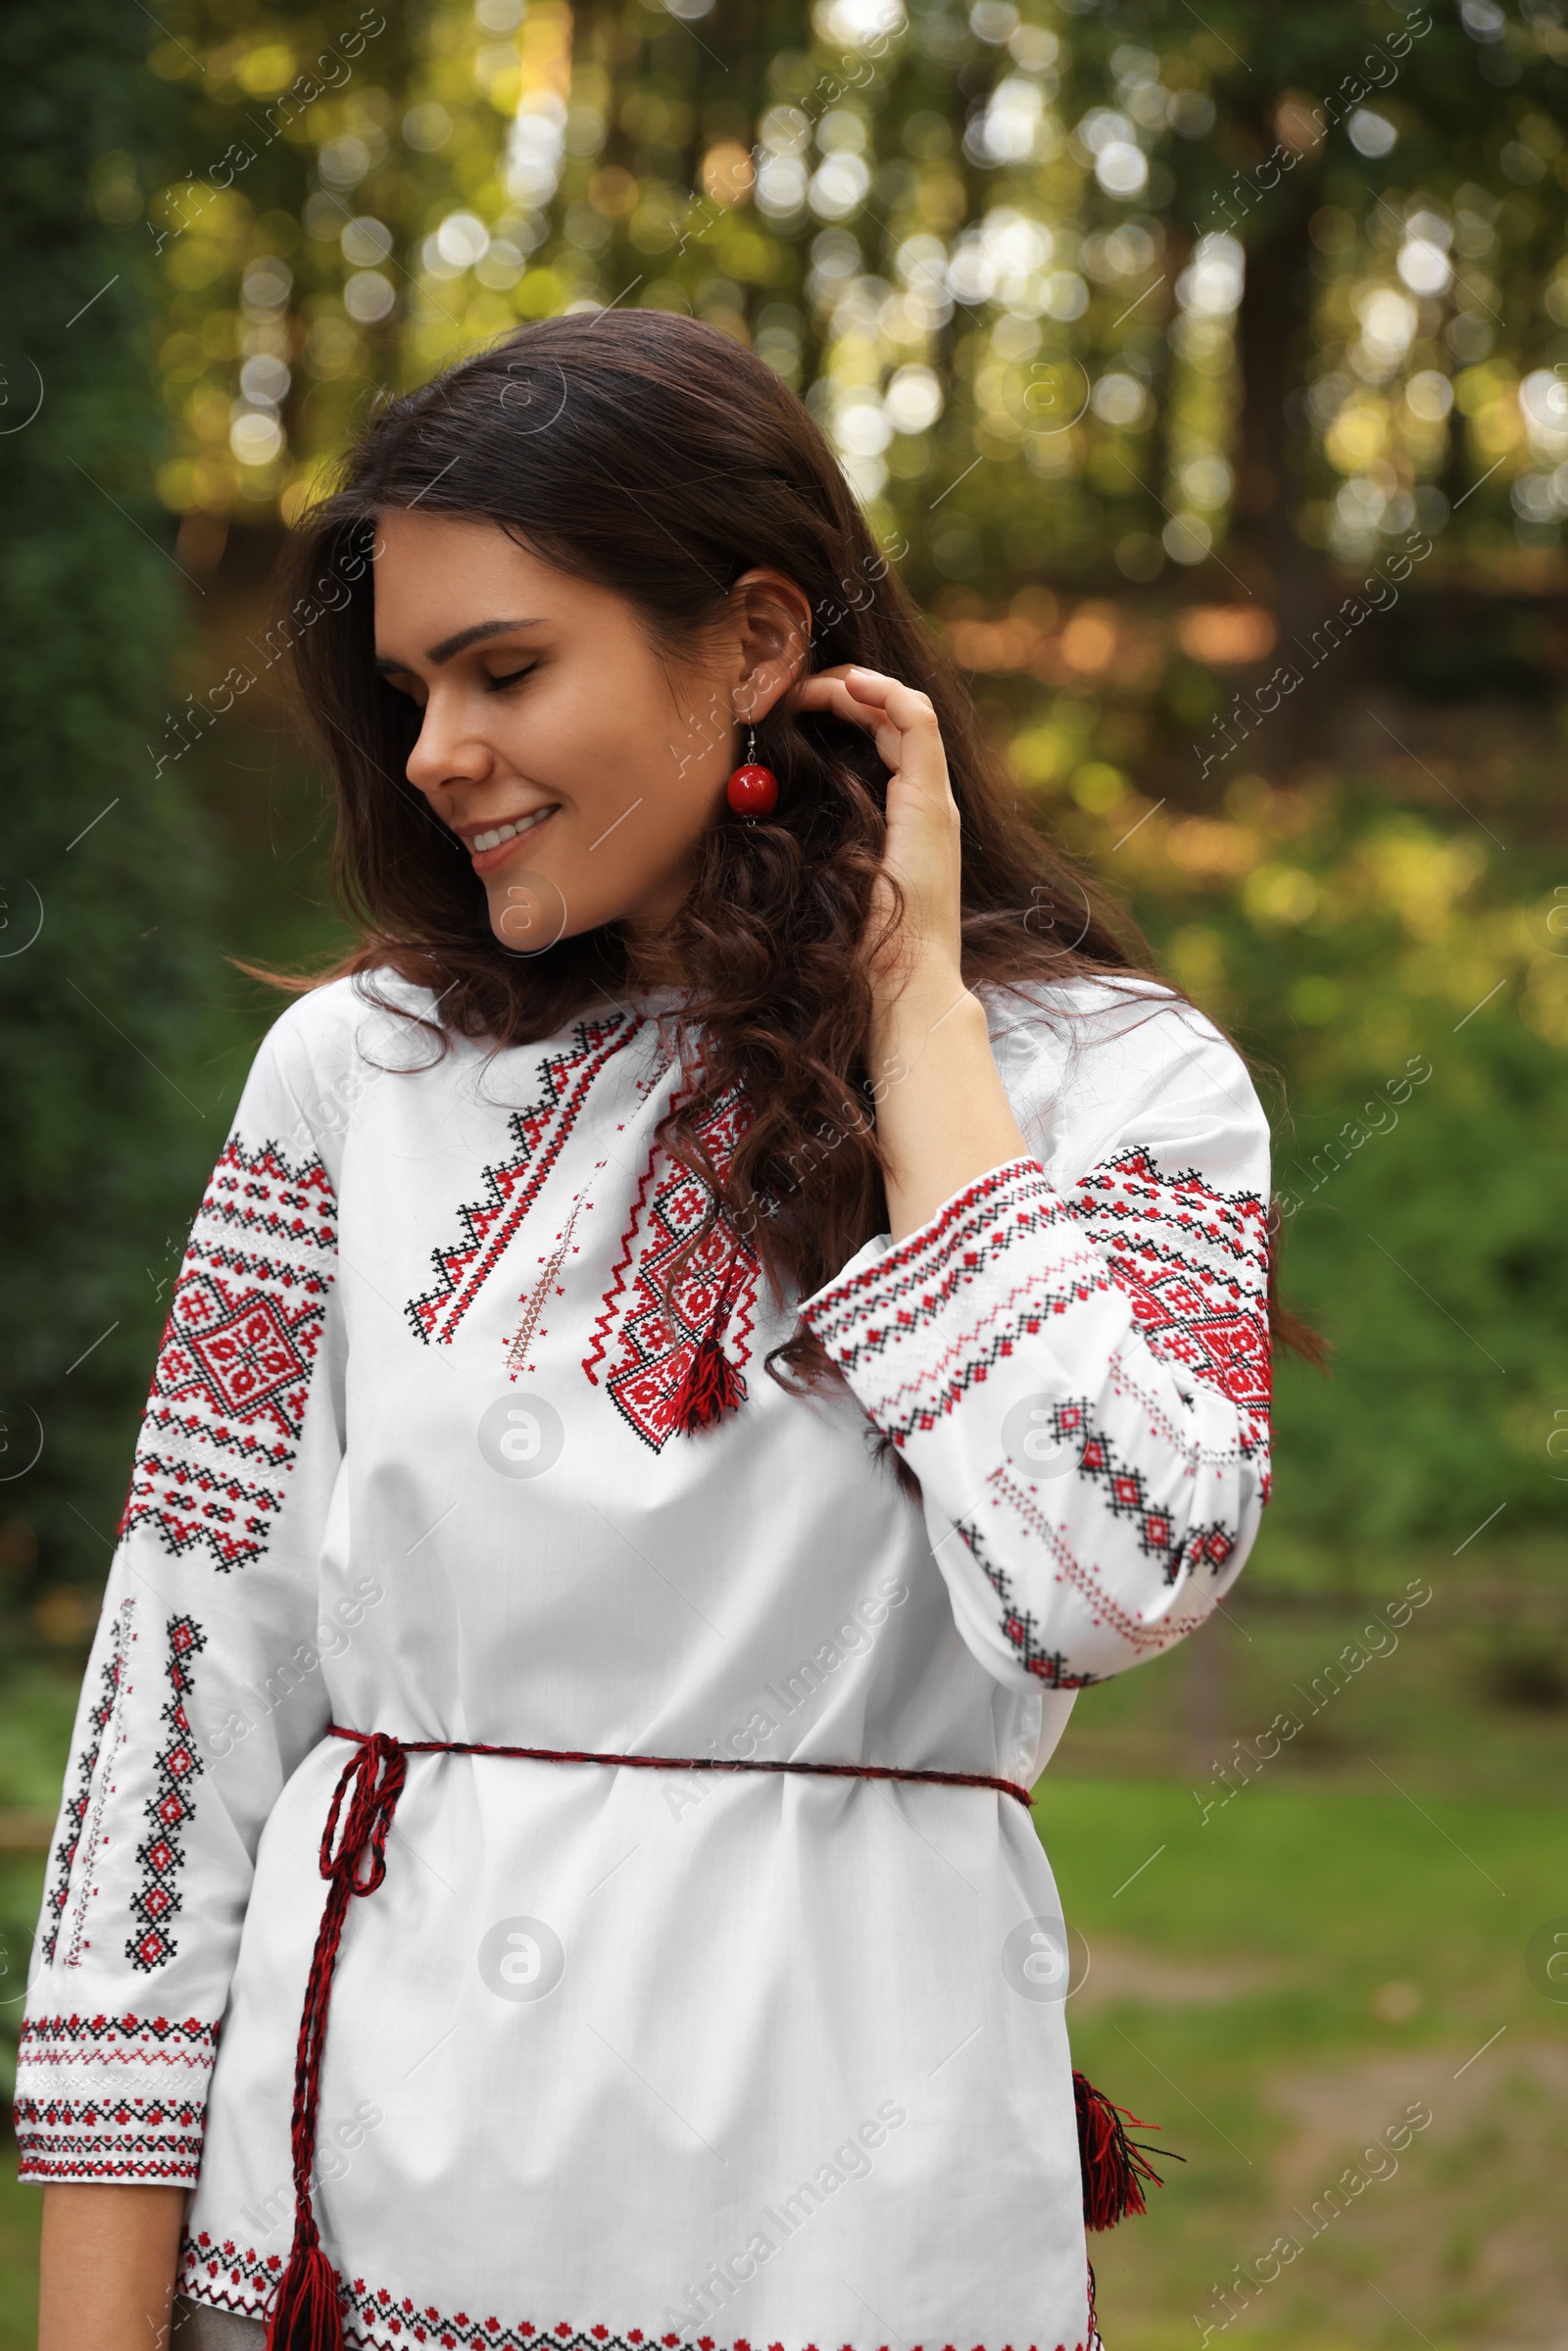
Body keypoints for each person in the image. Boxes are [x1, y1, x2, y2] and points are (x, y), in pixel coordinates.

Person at [21, 312, 1276, 2351]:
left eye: (506, 669)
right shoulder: (357, 1071)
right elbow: (183, 1697)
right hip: (347, 2230)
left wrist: (924, 1035)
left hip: (850, 2238)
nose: (434, 751)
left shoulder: (1121, 1088)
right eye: (413, 686)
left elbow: (1106, 1580)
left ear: (756, 641)